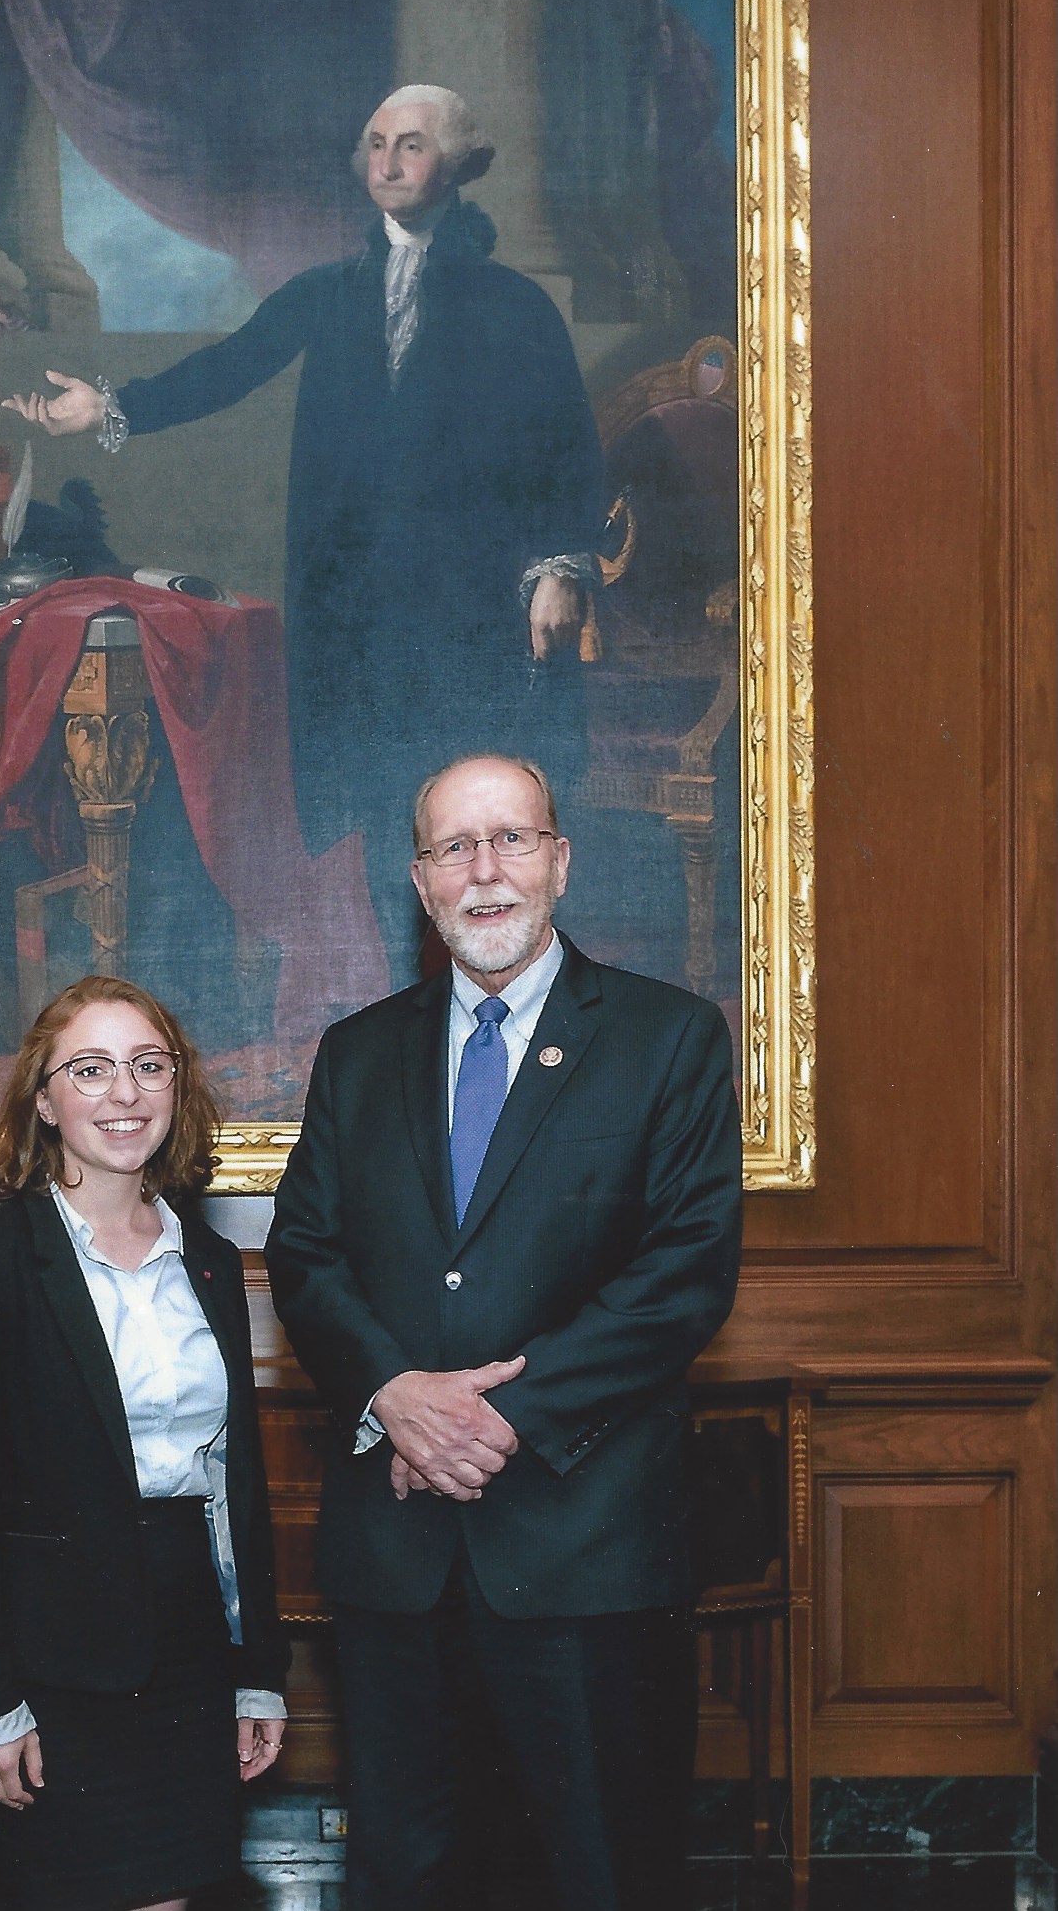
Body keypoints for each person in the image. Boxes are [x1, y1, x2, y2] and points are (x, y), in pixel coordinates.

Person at [265, 753, 743, 1911]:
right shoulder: (357, 1052)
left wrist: (490, 1416)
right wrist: (391, 1392)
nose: (484, 873)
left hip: (583, 1548)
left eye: (511, 840)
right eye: (452, 848)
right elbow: (304, 1252)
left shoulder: (666, 1038)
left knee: (597, 1872)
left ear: (559, 861)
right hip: (398, 1555)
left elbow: (681, 1275)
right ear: (419, 881)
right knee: (407, 1872)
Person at [3, 88, 607, 976]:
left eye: (410, 145)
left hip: (468, 605)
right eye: (374, 144)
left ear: (458, 164)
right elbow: (230, 365)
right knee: (377, 802)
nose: (388, 162)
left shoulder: (513, 304)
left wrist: (560, 565)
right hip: (357, 609)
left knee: (474, 805)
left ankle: (494, 991)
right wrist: (110, 405)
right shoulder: (329, 293)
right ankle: (413, 998)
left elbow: (566, 442)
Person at [0, 975, 289, 1911]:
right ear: (42, 1099)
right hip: (56, 1657)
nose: (124, 1093)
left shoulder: (208, 1262)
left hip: (190, 1641)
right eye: (90, 1070)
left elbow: (231, 1485)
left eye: (147, 1065)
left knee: (171, 1892)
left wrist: (257, 1675)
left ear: (176, 1087)